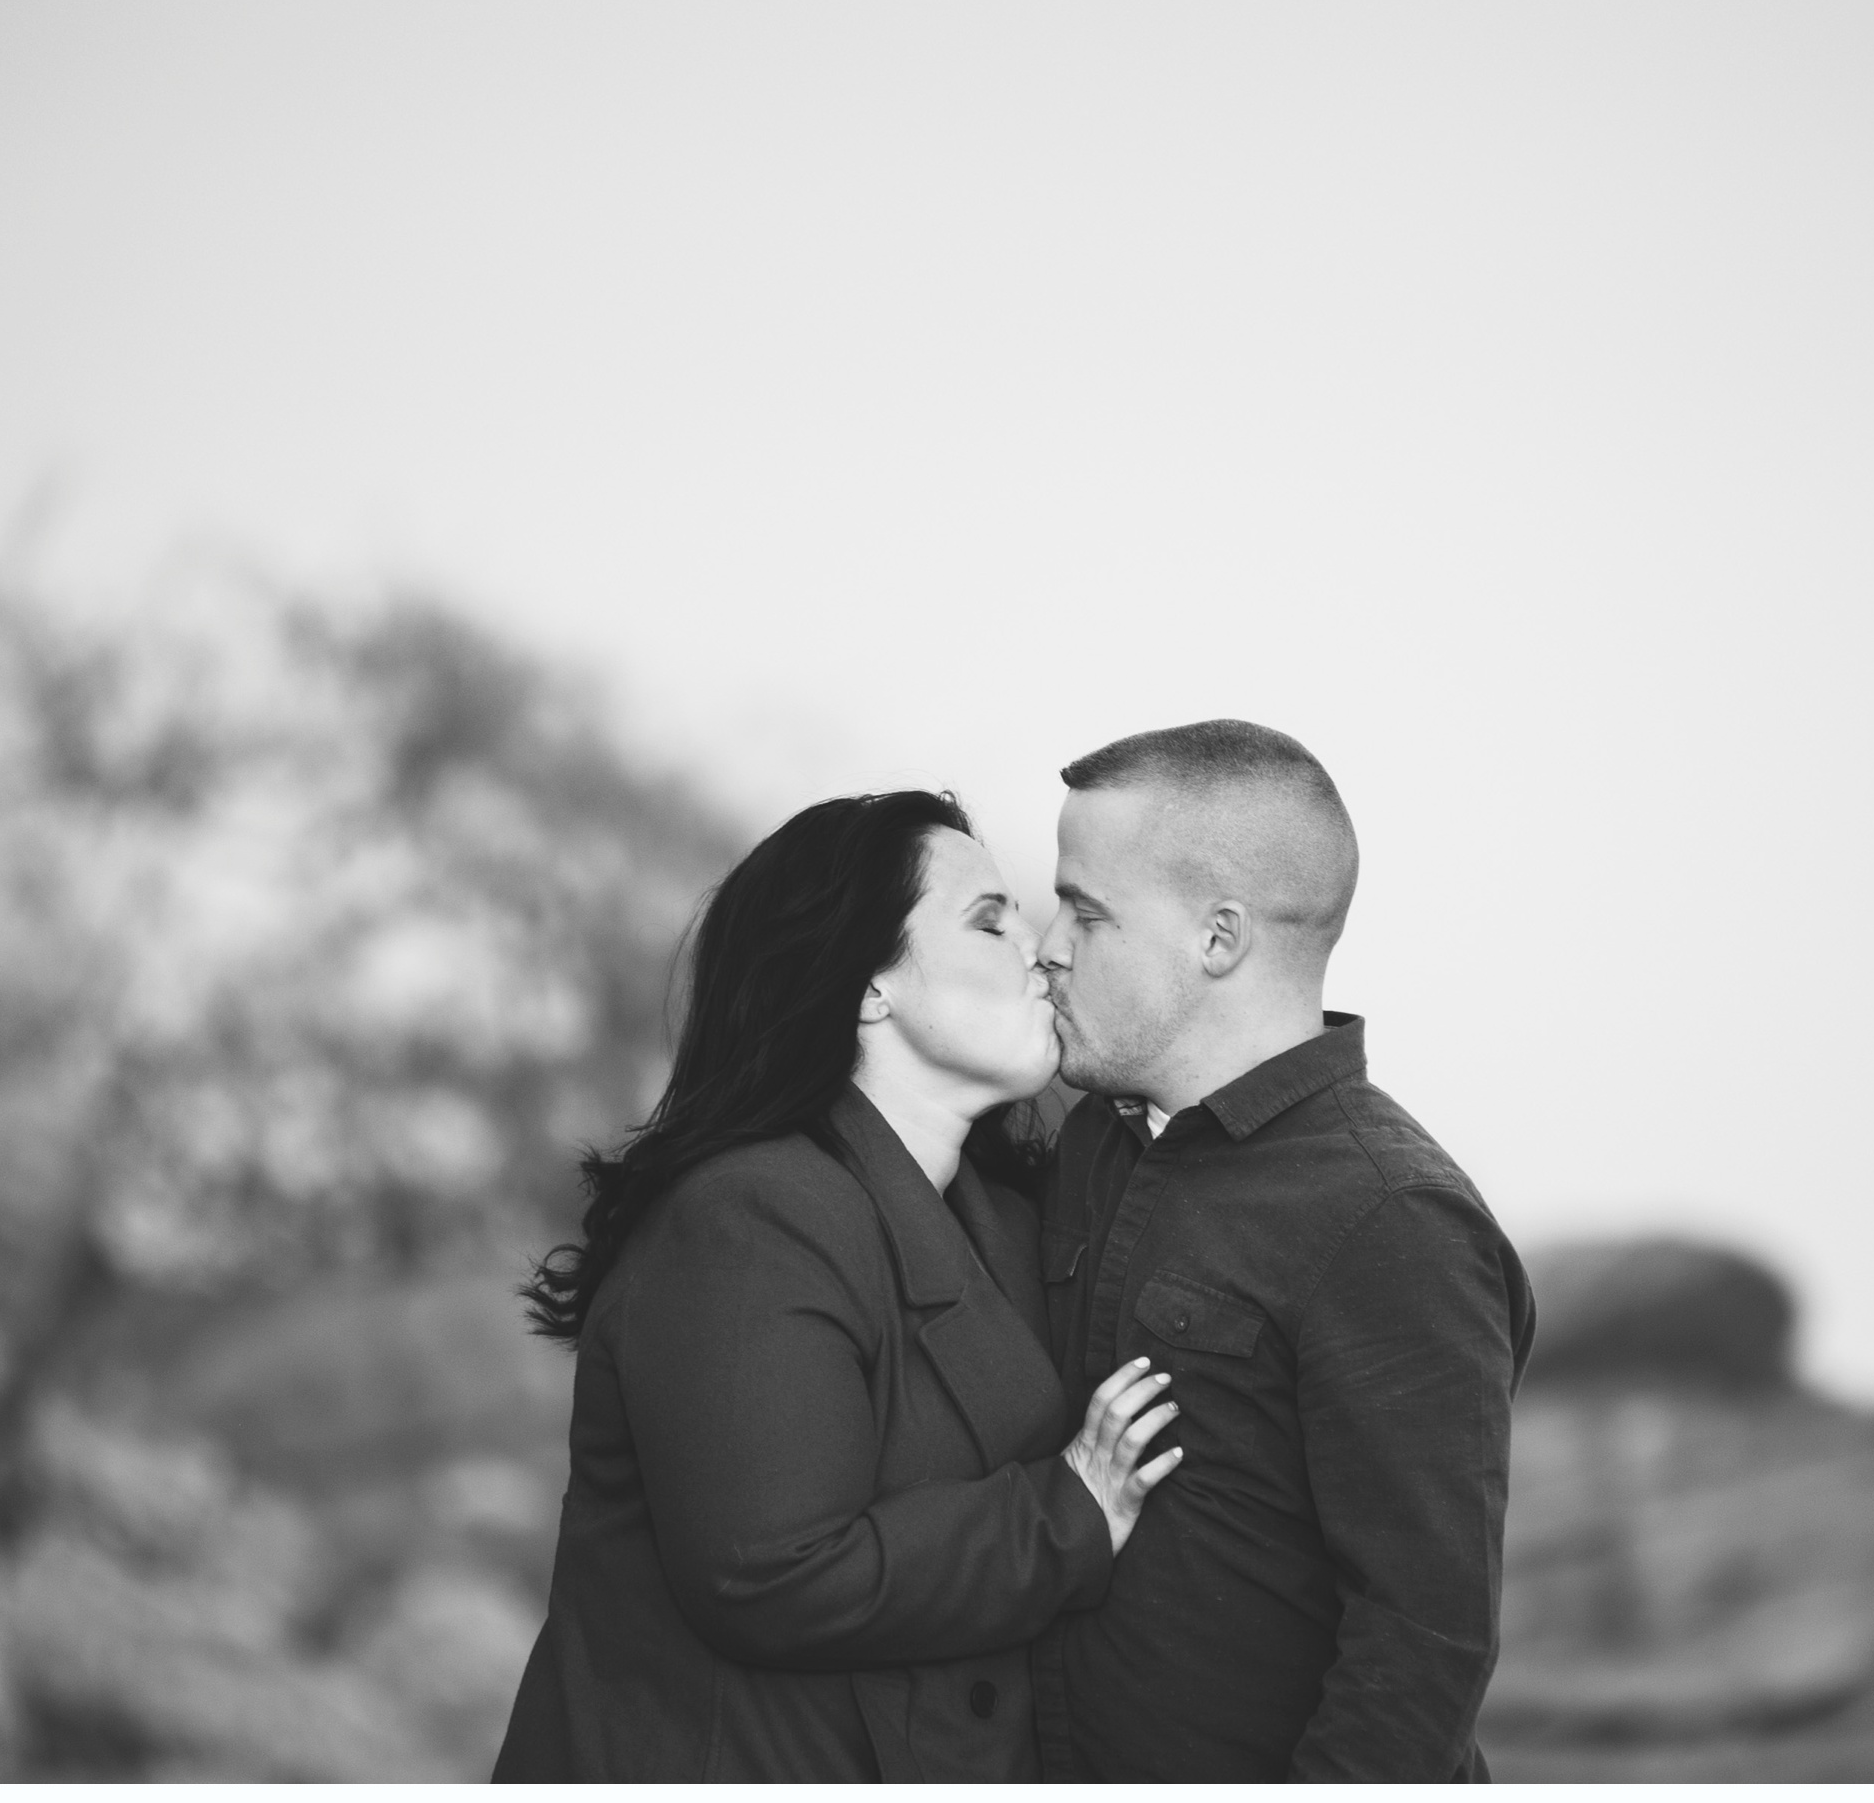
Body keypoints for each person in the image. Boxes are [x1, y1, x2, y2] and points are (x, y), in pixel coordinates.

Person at [493, 790, 1183, 1781]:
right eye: (988, 919)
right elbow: (769, 1573)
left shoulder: (1008, 1221)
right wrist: (1069, 1513)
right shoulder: (750, 1217)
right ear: (870, 987)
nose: (1038, 948)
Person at [1028, 719, 1536, 1780]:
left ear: (1218, 938)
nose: (1050, 943)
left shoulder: (1391, 1216)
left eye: (1086, 910)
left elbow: (1423, 1641)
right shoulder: (1090, 1141)